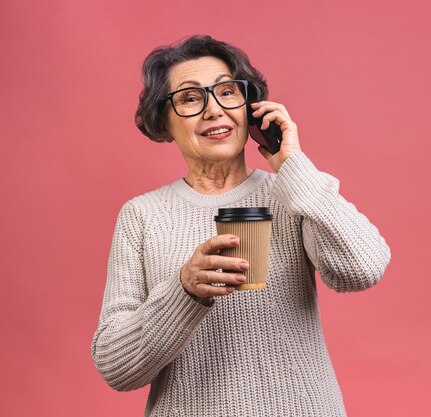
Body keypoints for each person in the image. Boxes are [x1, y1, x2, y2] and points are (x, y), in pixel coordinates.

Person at [91, 35, 391, 417]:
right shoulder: (142, 216)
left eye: (227, 92)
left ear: (250, 109)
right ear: (163, 121)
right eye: (189, 98)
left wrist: (293, 165)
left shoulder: (291, 192)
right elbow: (116, 367)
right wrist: (185, 290)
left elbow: (362, 269)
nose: (213, 109)